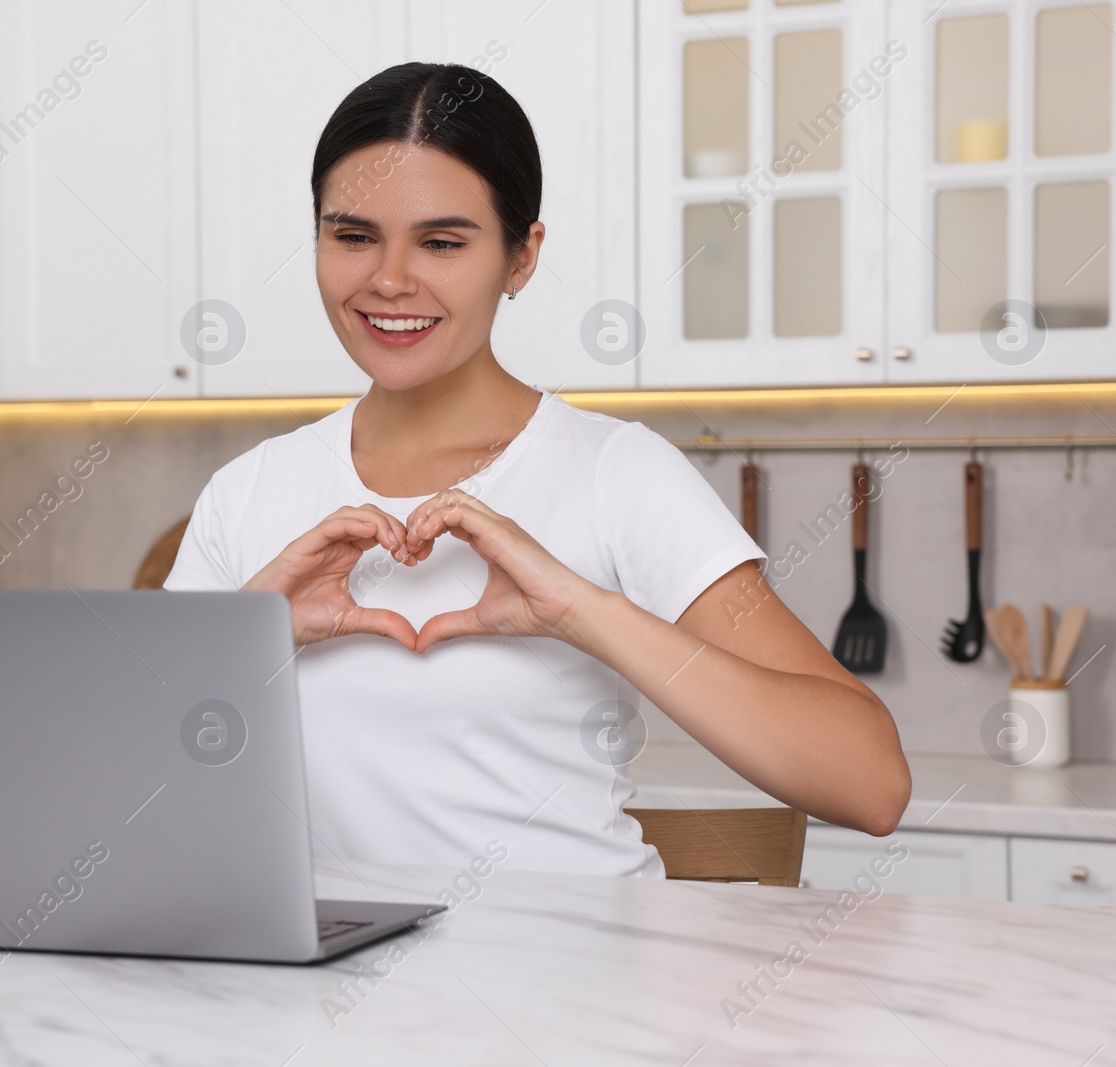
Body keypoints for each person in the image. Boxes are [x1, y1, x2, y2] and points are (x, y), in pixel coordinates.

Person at [162, 62, 910, 878]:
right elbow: (127, 802)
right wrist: (249, 635)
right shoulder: (247, 493)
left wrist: (580, 610)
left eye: (442, 242)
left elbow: (870, 783)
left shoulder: (616, 474)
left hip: (574, 987)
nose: (388, 280)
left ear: (522, 258)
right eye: (353, 236)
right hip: (323, 992)